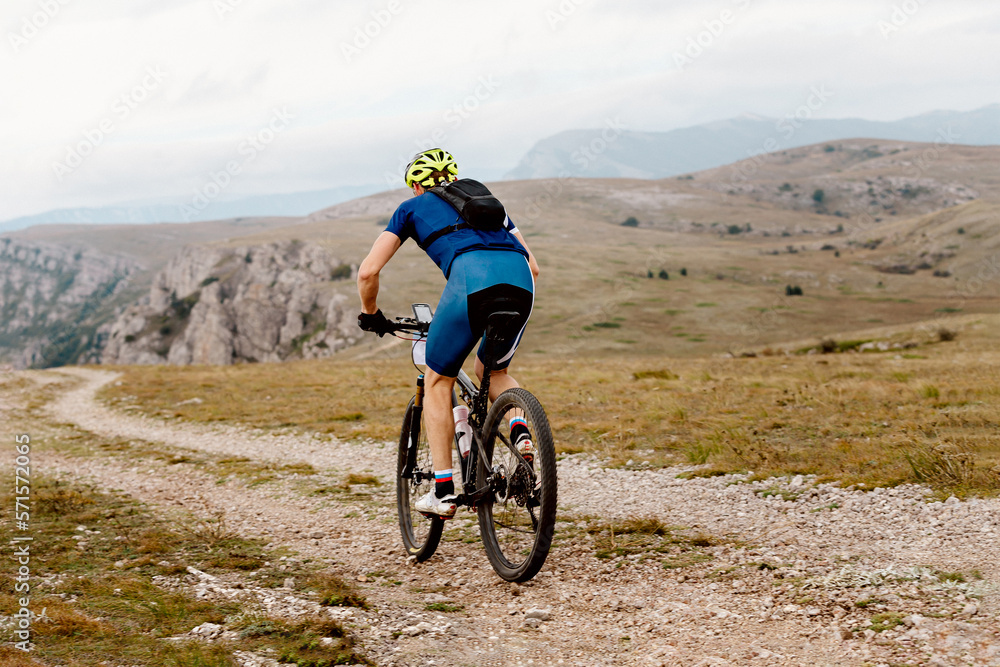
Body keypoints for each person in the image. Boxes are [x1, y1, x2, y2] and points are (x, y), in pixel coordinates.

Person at [357, 148, 540, 517]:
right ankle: (521, 431)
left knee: (438, 379)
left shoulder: (412, 207)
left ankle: (442, 492)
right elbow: (534, 265)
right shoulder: (490, 203)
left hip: (471, 282)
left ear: (416, 184)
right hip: (521, 283)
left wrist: (371, 314)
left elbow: (367, 272)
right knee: (495, 371)